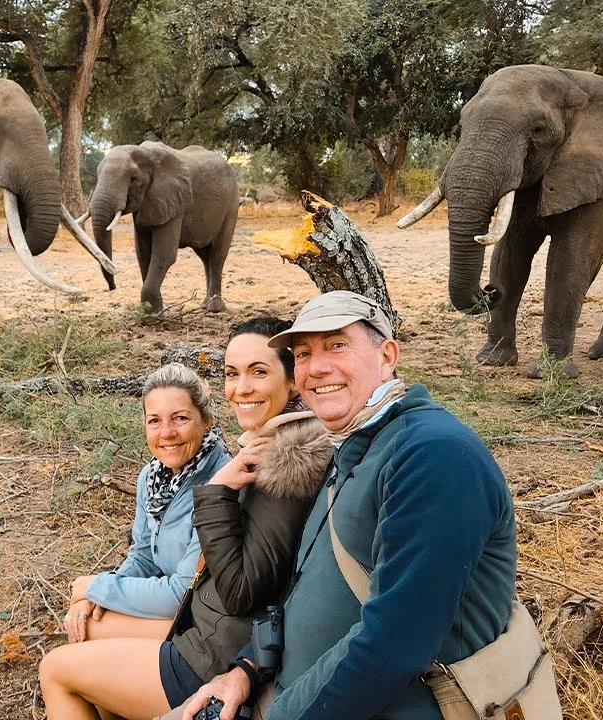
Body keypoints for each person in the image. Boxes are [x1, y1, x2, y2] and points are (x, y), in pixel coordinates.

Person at [179, 291, 518, 720]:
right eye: (303, 354)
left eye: (337, 345)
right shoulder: (353, 446)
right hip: (277, 691)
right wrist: (245, 669)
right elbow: (301, 589)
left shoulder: (432, 455)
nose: (316, 368)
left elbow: (394, 645)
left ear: (387, 355)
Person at [41, 322, 332, 720]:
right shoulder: (248, 455)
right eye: (232, 374)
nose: (242, 387)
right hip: (204, 629)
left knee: (56, 668)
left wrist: (215, 493)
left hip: (212, 650)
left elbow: (235, 591)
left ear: (294, 381)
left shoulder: (283, 467)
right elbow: (142, 553)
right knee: (82, 640)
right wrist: (99, 594)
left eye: (259, 371)